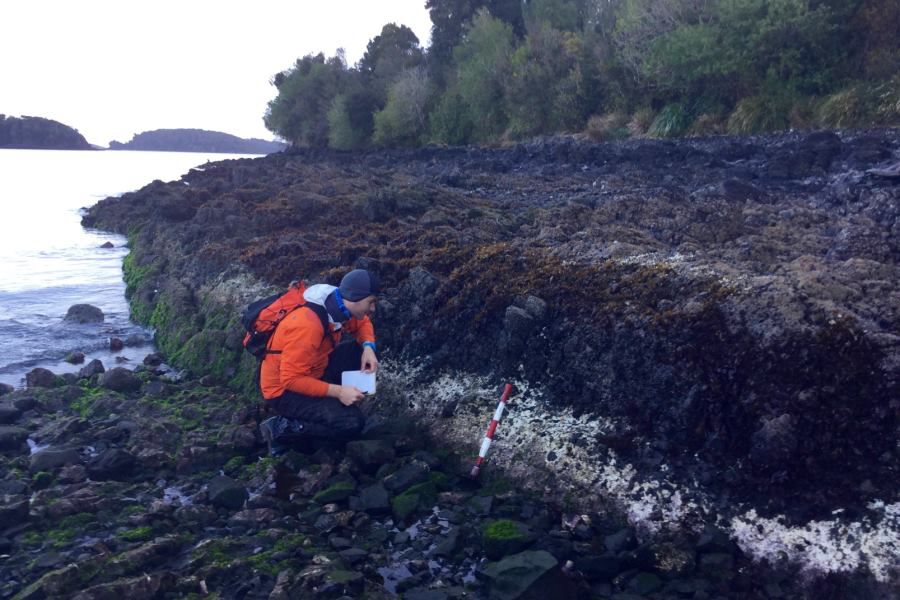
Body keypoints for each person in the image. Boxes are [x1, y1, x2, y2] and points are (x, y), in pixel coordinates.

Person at [258, 269, 379, 454]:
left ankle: (342, 400)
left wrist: (369, 347)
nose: (373, 309)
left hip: (315, 368)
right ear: (355, 298)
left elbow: (362, 323)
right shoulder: (307, 325)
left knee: (359, 350)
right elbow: (290, 380)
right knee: (352, 424)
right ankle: (281, 427)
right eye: (370, 302)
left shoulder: (336, 304)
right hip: (283, 392)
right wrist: (339, 392)